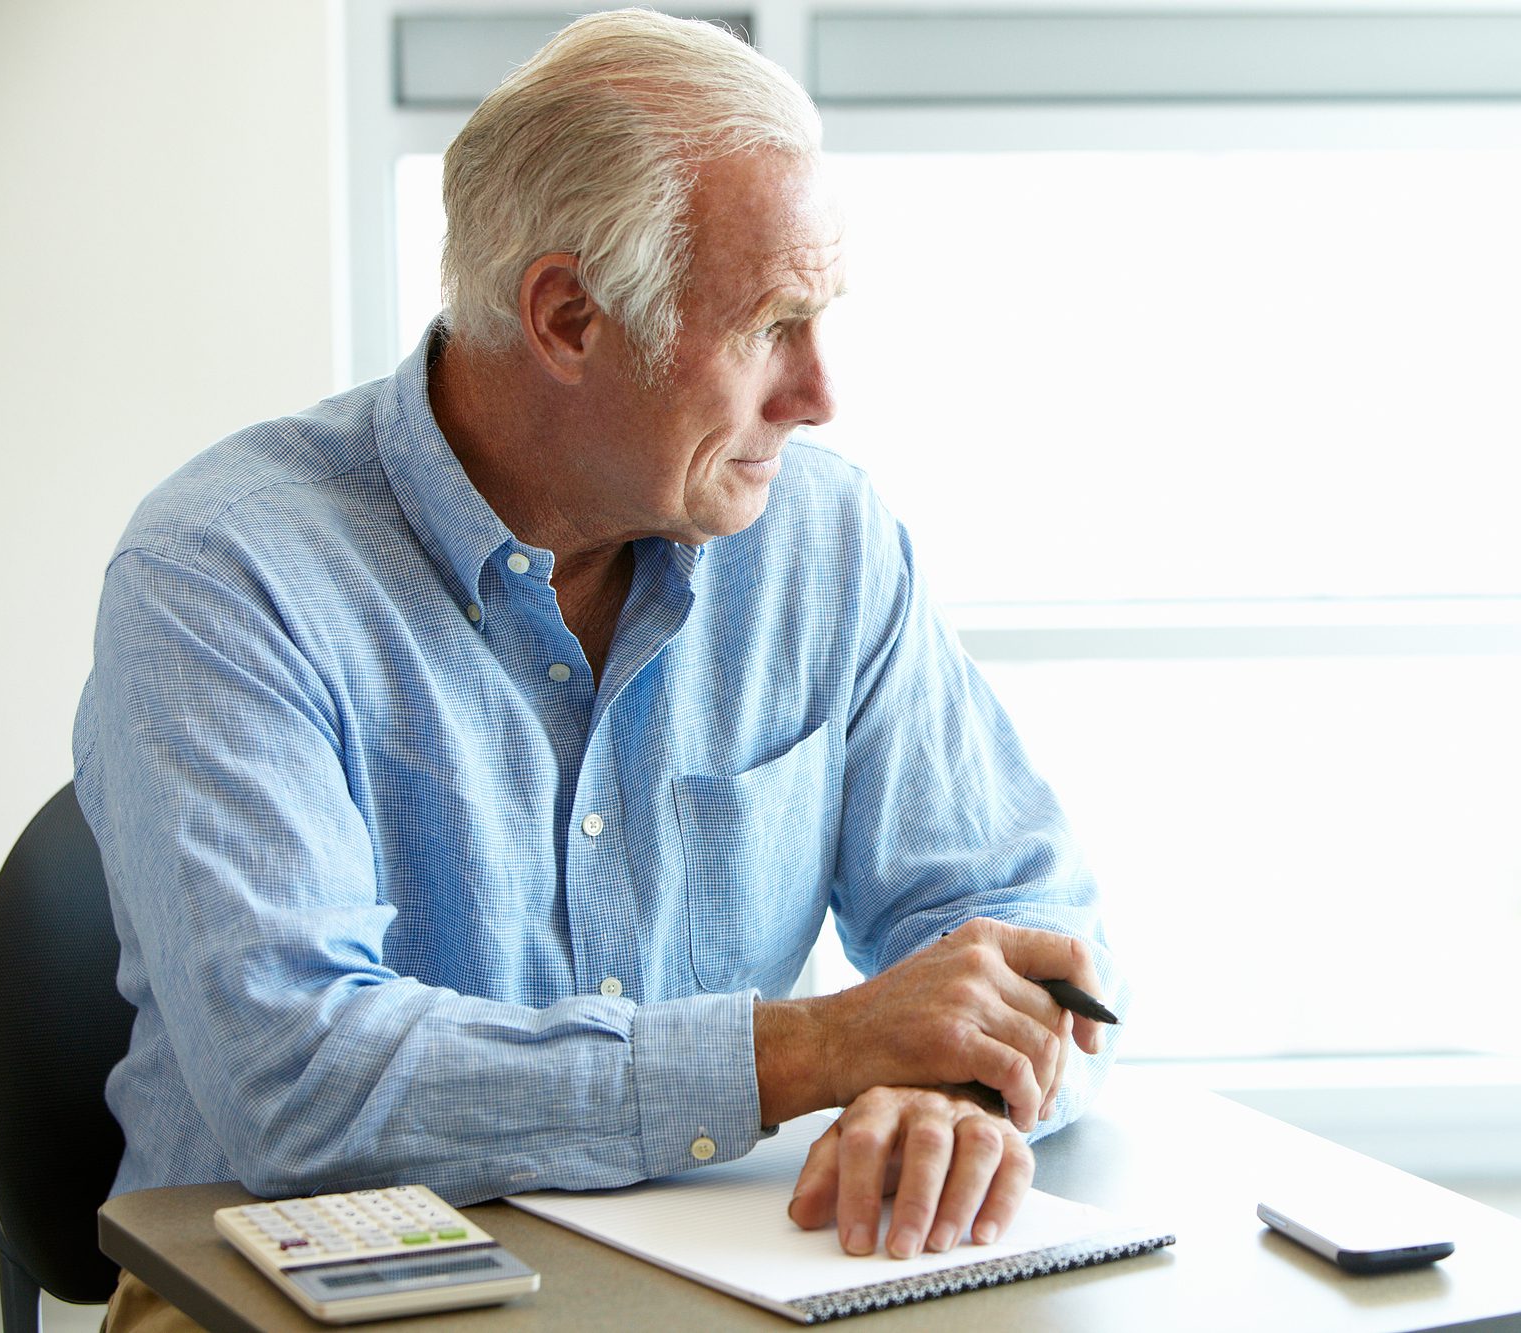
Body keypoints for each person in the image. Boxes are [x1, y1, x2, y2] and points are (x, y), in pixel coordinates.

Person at [74, 10, 1120, 1326]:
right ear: (569, 316)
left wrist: (949, 1090)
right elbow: (303, 1083)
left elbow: (1029, 923)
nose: (818, 393)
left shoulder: (826, 539)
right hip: (297, 1285)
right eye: (768, 326)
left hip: (708, 1267)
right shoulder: (226, 570)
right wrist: (818, 1048)